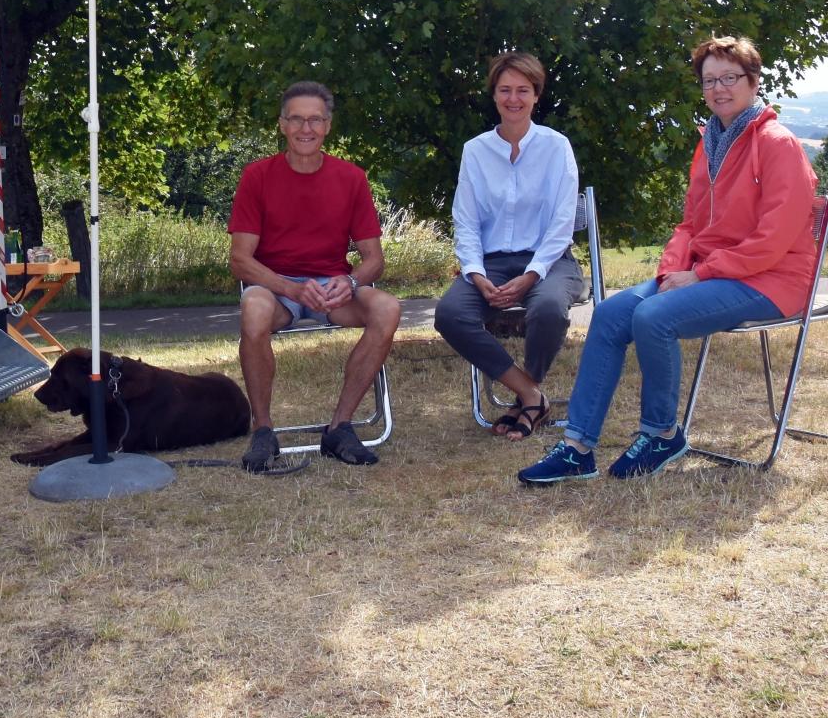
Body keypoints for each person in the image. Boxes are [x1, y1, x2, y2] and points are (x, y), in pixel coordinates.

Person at [519, 35, 820, 485]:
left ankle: (662, 434)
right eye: (709, 80)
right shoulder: (711, 143)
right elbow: (689, 225)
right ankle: (577, 448)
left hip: (772, 279)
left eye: (730, 78)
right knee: (610, 314)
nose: (719, 89)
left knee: (654, 317)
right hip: (709, 273)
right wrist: (671, 271)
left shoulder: (778, 144)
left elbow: (772, 241)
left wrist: (700, 274)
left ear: (754, 82)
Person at [231, 80, 401, 469]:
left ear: (327, 126)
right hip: (275, 286)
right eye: (296, 119)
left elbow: (375, 258)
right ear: (282, 125)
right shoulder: (257, 176)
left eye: (314, 120)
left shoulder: (351, 177)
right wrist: (291, 287)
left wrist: (353, 281)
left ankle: (340, 427)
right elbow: (240, 260)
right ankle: (263, 430)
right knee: (253, 309)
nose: (305, 129)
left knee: (387, 308)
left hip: (333, 288)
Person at [434, 52, 585, 440]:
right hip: (491, 263)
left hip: (550, 261)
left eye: (523, 90)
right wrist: (475, 273)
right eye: (505, 90)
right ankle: (531, 395)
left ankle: (527, 399)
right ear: (494, 95)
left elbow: (561, 223)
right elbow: (465, 220)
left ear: (536, 96)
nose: (513, 98)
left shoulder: (556, 147)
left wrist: (533, 274)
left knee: (549, 307)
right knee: (450, 314)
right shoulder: (476, 150)